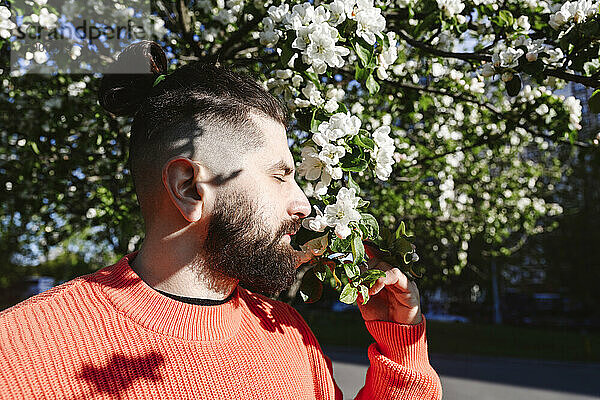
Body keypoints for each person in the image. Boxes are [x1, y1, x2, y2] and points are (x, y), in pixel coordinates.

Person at [0, 41, 442, 399]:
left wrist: (402, 352)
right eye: (280, 176)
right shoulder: (21, 352)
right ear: (190, 188)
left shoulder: (288, 333)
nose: (304, 205)